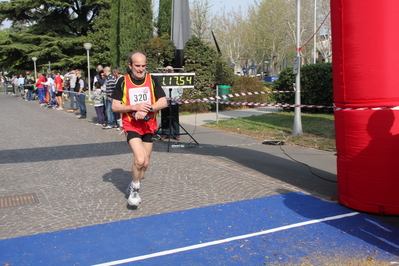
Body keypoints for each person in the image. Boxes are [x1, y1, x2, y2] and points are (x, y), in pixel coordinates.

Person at [112, 51, 167, 207]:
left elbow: (163, 102)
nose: (141, 69)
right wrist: (134, 107)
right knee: (140, 159)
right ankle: (135, 187)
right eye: (137, 66)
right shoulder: (123, 81)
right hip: (131, 125)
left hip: (149, 124)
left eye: (143, 66)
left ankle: (134, 183)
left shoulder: (152, 80)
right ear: (130, 65)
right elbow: (115, 106)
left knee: (145, 164)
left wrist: (147, 109)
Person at [160, 66, 183, 140]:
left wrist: (178, 97)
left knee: (175, 118)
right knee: (164, 117)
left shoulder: (177, 80)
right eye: (167, 70)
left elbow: (180, 90)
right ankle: (165, 133)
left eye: (171, 70)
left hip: (174, 101)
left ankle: (176, 134)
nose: (169, 71)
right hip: (164, 101)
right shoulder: (162, 80)